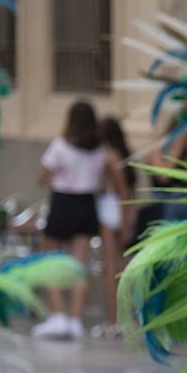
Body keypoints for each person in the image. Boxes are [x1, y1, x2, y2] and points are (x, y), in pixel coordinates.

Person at [32, 100, 108, 341]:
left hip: (64, 202)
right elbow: (101, 182)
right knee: (79, 265)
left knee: (48, 258)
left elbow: (42, 176)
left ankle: (57, 314)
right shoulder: (99, 150)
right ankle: (75, 319)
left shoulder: (61, 145)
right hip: (87, 204)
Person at [93, 117, 135, 338]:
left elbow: (122, 190)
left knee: (111, 268)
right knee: (117, 267)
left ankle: (114, 320)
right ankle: (120, 318)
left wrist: (126, 224)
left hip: (110, 207)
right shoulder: (121, 155)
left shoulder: (110, 156)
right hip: (117, 208)